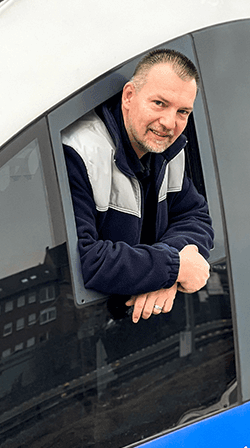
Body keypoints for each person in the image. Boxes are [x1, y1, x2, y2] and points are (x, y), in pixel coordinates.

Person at [63, 49, 213, 323]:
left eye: (183, 111)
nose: (169, 123)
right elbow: (86, 261)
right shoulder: (81, 153)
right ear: (129, 96)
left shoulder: (168, 150)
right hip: (86, 327)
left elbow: (196, 216)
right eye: (159, 103)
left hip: (140, 325)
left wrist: (172, 263)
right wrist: (175, 267)